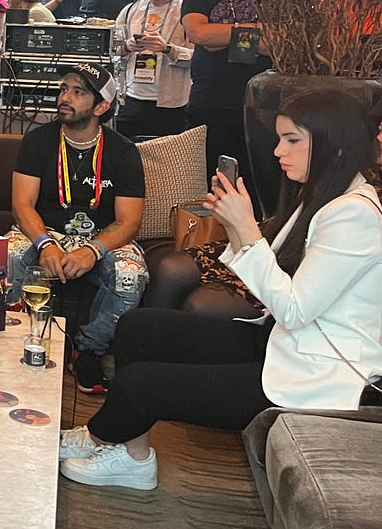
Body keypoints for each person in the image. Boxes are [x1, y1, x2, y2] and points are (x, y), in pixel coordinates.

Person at [59, 89, 382, 491]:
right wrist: (234, 225)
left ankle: (101, 437)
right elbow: (272, 278)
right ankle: (131, 454)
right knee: (138, 327)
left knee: (141, 383)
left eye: (292, 140)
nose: (278, 151)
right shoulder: (325, 195)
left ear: (335, 143)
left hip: (317, 373)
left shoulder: (353, 214)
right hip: (281, 342)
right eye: (279, 139)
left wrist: (246, 228)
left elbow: (294, 309)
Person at [7, 63, 147, 395]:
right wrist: (45, 244)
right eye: (63, 90)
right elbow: (22, 205)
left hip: (102, 239)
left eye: (78, 92)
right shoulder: (37, 141)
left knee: (130, 276)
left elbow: (129, 221)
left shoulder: (123, 152)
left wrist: (93, 250)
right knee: (7, 256)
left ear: (101, 107)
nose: (64, 98)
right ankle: (13, 339)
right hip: (44, 231)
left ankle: (87, 350)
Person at [181, 0, 271, 202]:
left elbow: (279, 41)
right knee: (208, 192)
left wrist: (220, 37)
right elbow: (198, 33)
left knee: (258, 192)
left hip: (261, 109)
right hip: (209, 105)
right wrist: (256, 31)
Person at [112, 0, 193, 140]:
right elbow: (112, 47)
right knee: (127, 149)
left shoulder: (186, 12)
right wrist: (127, 46)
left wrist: (168, 49)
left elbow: (199, 58)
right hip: (132, 97)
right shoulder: (132, 9)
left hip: (171, 102)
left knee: (167, 153)